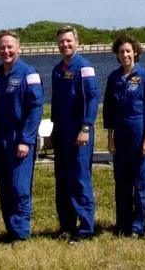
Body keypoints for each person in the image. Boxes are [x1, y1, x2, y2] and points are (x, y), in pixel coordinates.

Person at [0, 30, 44, 242]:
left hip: (20, 140)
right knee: (5, 187)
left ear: (18, 48)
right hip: (1, 140)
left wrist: (26, 140)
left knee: (19, 187)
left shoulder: (29, 73)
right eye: (2, 47)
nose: (6, 51)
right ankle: (10, 229)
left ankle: (21, 232)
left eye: (10, 47)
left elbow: (35, 109)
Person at [103, 34, 145, 237]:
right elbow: (108, 110)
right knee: (122, 181)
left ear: (135, 52)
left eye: (128, 51)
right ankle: (123, 224)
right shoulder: (113, 78)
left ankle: (139, 226)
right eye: (121, 52)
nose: (125, 55)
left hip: (139, 131)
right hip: (121, 134)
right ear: (117, 55)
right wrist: (110, 138)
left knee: (141, 181)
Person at [50, 25, 99, 242]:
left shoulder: (84, 67)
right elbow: (56, 104)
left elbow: (92, 99)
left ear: (76, 43)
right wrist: (52, 129)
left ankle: (86, 228)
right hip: (61, 132)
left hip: (80, 133)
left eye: (68, 41)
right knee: (62, 180)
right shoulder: (57, 70)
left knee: (80, 179)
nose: (65, 45)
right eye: (61, 41)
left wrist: (86, 127)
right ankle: (67, 225)